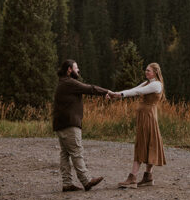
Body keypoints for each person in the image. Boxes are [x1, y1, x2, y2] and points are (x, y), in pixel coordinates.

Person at [52, 59, 112, 192]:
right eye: (76, 68)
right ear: (69, 69)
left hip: (61, 124)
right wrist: (107, 92)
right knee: (76, 151)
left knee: (65, 154)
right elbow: (89, 88)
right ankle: (86, 180)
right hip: (69, 124)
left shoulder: (63, 82)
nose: (78, 70)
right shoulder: (69, 82)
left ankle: (67, 183)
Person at [108, 62, 166, 188]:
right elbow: (133, 89)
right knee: (149, 142)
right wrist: (116, 94)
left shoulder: (156, 84)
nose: (146, 72)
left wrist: (120, 94)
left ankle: (133, 177)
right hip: (146, 116)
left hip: (148, 117)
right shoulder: (148, 83)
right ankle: (148, 176)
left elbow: (138, 91)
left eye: (148, 70)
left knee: (144, 142)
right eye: (146, 70)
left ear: (155, 72)